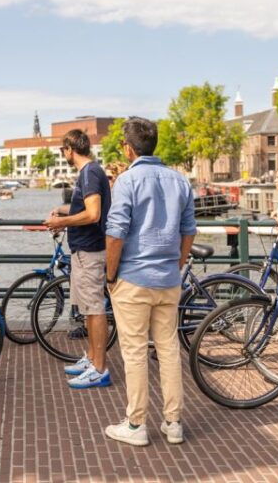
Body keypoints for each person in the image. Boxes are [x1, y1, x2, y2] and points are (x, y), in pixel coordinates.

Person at [103, 117, 196, 446]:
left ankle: (136, 424)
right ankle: (174, 423)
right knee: (169, 350)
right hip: (168, 278)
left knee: (135, 352)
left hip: (133, 277)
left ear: (128, 148)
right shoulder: (180, 180)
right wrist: (176, 263)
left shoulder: (126, 181)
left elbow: (115, 235)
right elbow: (189, 231)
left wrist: (110, 275)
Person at [43, 129, 112, 389]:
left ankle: (100, 369)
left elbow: (93, 214)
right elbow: (85, 208)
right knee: (86, 308)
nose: (64, 154)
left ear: (70, 149)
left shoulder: (90, 173)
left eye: (63, 150)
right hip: (83, 250)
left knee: (94, 309)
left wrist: (62, 221)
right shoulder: (88, 173)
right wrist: (64, 210)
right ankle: (92, 359)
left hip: (91, 251)